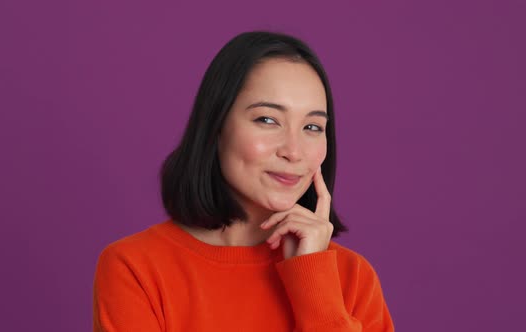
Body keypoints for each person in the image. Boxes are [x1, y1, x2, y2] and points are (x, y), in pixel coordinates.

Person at [93, 30, 394, 332]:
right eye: (267, 120)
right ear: (217, 126)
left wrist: (314, 284)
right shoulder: (135, 267)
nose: (293, 151)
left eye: (313, 127)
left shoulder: (353, 278)